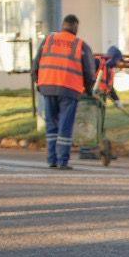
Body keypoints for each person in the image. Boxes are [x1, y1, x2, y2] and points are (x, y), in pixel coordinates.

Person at [31, 14, 98, 170]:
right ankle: (62, 161)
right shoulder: (80, 45)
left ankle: (52, 160)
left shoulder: (48, 41)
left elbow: (36, 65)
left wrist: (38, 83)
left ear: (63, 25)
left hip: (47, 87)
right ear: (75, 27)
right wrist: (89, 91)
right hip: (69, 89)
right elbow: (89, 72)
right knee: (65, 126)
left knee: (51, 125)